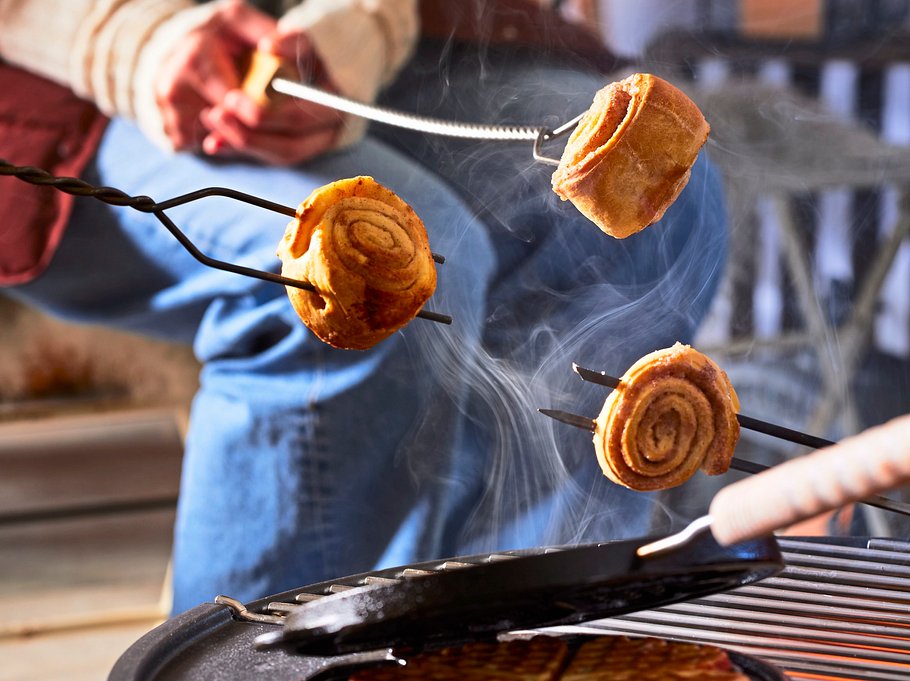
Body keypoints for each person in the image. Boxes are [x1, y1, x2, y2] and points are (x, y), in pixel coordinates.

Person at [0, 0, 727, 614]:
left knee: (665, 208)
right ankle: (275, 650)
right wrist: (125, 40)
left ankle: (523, 634)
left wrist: (357, 28)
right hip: (55, 70)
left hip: (368, 46)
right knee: (376, 271)